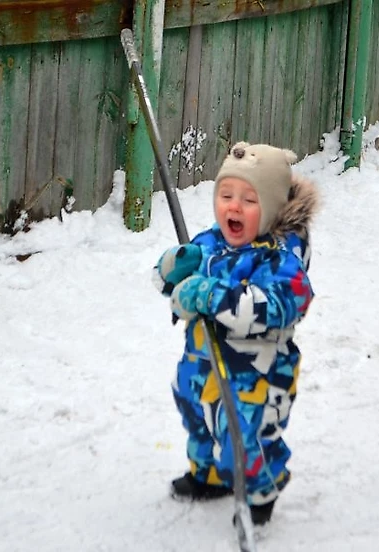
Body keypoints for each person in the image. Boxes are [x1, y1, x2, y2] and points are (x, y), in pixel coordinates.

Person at [153, 141, 319, 526]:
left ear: (273, 207)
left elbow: (276, 306)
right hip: (202, 361)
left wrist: (212, 294)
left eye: (248, 199)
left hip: (255, 377)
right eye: (226, 195)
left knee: (243, 438)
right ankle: (208, 474)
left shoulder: (280, 260)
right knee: (197, 415)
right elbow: (171, 284)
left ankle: (261, 488)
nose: (233, 206)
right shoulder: (211, 242)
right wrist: (173, 269)